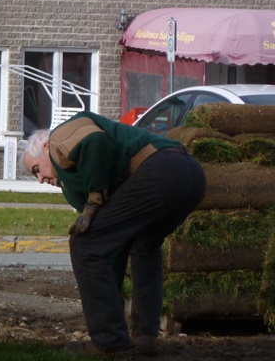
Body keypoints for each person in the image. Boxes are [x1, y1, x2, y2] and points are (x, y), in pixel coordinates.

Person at [23, 111, 206, 357]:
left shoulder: (59, 138)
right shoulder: (80, 174)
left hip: (161, 170)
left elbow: (94, 141)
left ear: (45, 147)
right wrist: (112, 293)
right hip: (191, 175)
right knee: (144, 244)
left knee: (84, 244)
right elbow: (112, 246)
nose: (40, 179)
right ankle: (145, 337)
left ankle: (108, 341)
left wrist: (94, 199)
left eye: (36, 169)